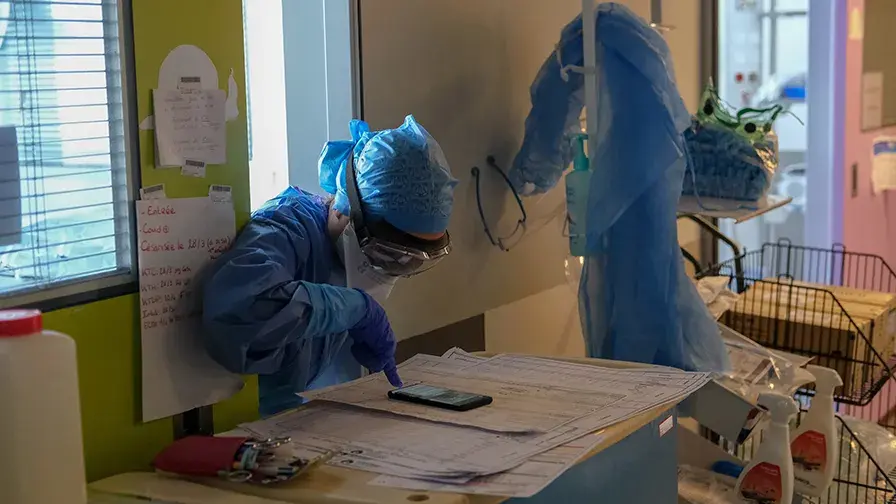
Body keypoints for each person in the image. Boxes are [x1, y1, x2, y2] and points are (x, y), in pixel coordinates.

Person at [202, 116, 458, 416]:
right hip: (229, 432)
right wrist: (353, 309)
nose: (395, 269)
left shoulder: (340, 261)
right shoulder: (284, 228)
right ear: (342, 208)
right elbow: (237, 313)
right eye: (389, 254)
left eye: (412, 261)